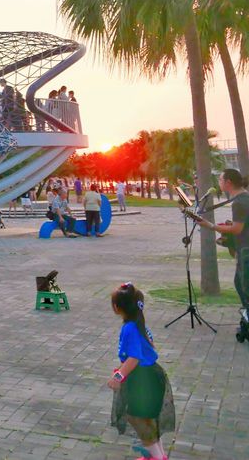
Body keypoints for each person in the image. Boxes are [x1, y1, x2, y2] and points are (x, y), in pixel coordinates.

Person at [107, 282, 174, 459]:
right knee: (147, 420)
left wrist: (118, 376)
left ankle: (159, 458)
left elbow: (134, 358)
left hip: (143, 380)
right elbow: (150, 347)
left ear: (116, 307)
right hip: (152, 375)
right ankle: (158, 455)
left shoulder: (130, 328)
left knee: (140, 420)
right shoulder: (139, 322)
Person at [190, 168, 248, 323]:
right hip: (243, 248)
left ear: (228, 182)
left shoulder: (239, 202)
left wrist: (211, 225)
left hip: (245, 250)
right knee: (239, 282)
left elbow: (237, 229)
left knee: (243, 286)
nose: (219, 183)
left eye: (221, 180)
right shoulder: (244, 198)